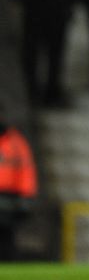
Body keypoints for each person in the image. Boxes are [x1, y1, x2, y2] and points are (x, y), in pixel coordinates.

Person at [0, 102, 37, 261]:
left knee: (7, 234)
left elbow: (26, 169)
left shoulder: (15, 141)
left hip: (9, 196)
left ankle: (9, 267)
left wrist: (26, 196)